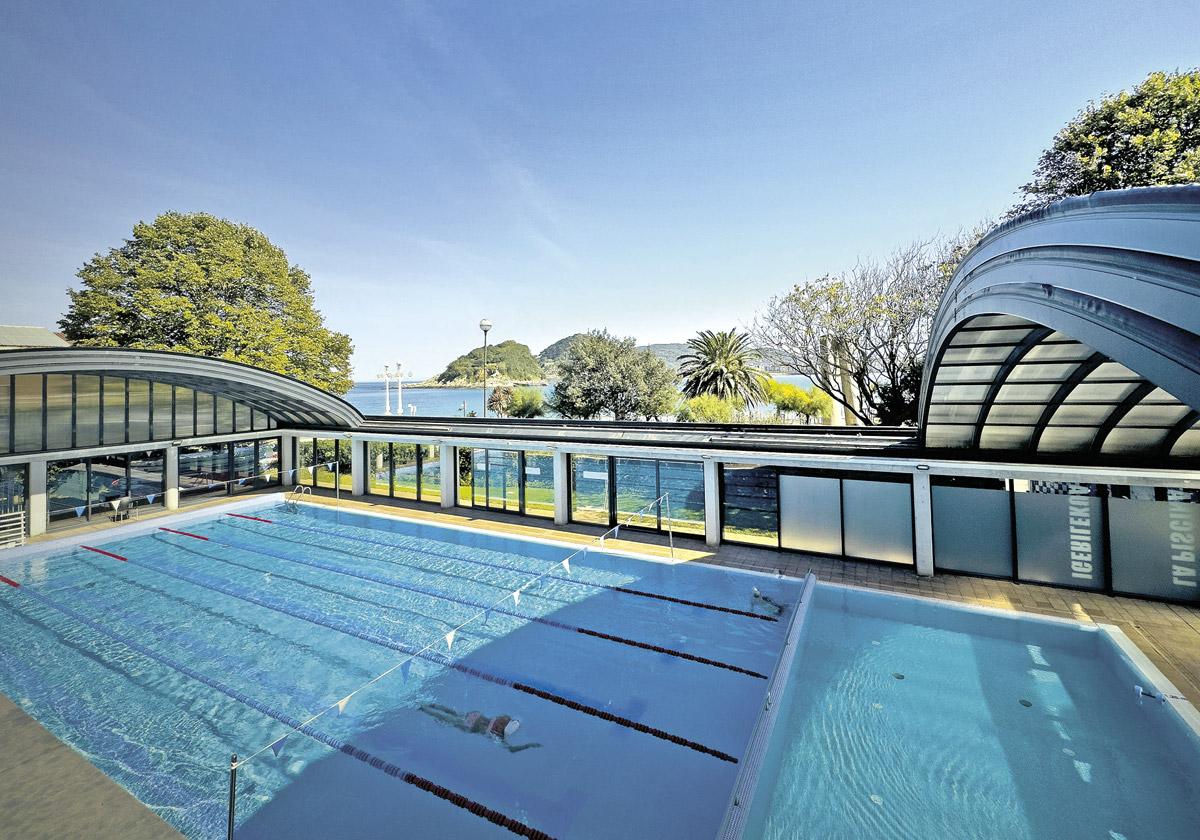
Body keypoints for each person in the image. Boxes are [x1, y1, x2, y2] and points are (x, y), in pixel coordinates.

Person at [419, 703, 542, 753]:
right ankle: (432, 705)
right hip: (470, 717)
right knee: (451, 712)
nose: (503, 719)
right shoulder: (500, 723)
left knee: (447, 717)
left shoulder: (496, 736)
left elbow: (511, 749)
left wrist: (528, 745)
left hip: (467, 725)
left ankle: (424, 708)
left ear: (501, 729)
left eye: (505, 722)